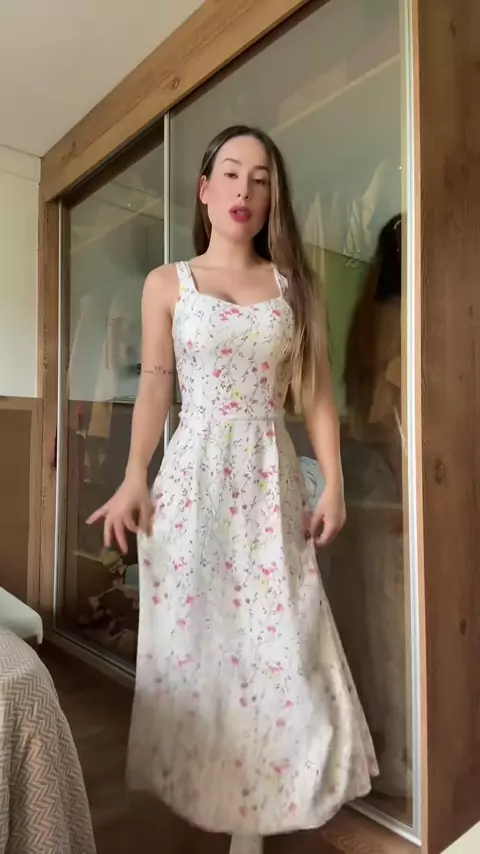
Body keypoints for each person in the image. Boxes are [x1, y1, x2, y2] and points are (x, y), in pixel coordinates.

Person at [87, 125, 378, 852]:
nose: (244, 190)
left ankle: (264, 811)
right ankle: (223, 804)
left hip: (270, 479)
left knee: (281, 641)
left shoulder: (294, 286)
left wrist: (334, 483)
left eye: (261, 178)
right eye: (231, 173)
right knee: (204, 646)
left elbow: (316, 393)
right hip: (192, 480)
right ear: (205, 189)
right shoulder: (167, 284)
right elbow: (156, 388)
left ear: (272, 197)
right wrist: (134, 474)